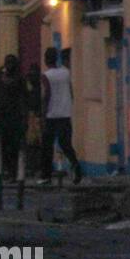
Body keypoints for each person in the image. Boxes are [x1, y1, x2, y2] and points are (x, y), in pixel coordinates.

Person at [39, 47, 82, 184]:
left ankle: (46, 175)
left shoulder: (46, 75)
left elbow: (47, 95)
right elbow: (71, 92)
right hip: (65, 114)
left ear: (46, 60)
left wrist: (43, 114)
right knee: (66, 145)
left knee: (47, 146)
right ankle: (76, 167)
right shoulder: (66, 72)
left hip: (51, 115)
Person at [0, 55, 27, 181]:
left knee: (13, 146)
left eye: (11, 63)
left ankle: (13, 172)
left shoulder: (19, 79)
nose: (9, 65)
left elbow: (24, 97)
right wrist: (0, 69)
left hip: (14, 116)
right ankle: (4, 170)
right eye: (7, 63)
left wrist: (24, 116)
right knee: (1, 145)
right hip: (0, 116)